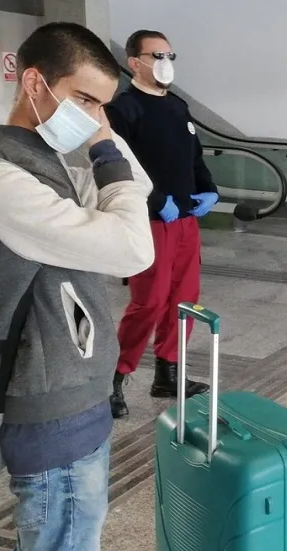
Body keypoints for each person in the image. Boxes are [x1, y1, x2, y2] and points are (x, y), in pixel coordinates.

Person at [0, 22, 154, 550]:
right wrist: (102, 150)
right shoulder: (2, 180)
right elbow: (133, 248)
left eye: (103, 106)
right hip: (51, 409)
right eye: (83, 99)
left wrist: (104, 135)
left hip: (66, 397)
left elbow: (135, 188)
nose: (95, 118)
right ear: (34, 82)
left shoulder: (36, 167)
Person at [107, 30, 218, 419]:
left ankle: (169, 372)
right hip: (150, 221)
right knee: (149, 301)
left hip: (186, 220)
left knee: (184, 299)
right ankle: (114, 378)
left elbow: (194, 155)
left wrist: (209, 189)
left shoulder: (178, 106)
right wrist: (154, 201)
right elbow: (119, 166)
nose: (164, 61)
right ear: (134, 62)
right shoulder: (123, 109)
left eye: (169, 54)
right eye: (156, 55)